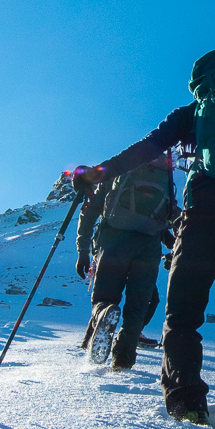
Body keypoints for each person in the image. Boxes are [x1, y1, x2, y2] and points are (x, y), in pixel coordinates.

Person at [73, 44, 215, 429]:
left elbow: (148, 147)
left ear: (203, 82)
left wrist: (97, 173)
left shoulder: (195, 112)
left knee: (183, 313)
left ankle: (186, 400)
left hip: (204, 215)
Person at [75, 155, 175, 369]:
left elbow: (91, 211)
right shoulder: (165, 177)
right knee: (137, 307)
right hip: (148, 247)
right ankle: (123, 358)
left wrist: (83, 251)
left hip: (114, 240)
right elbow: (169, 216)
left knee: (104, 297)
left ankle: (104, 312)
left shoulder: (120, 169)